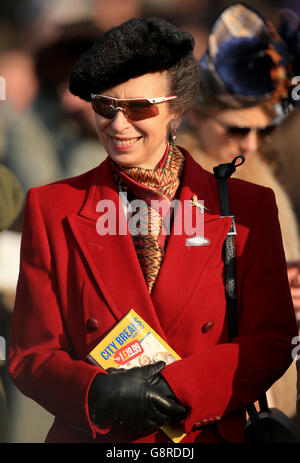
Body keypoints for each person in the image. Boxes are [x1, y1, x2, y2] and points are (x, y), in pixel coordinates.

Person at [8, 17, 297, 444]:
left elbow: (272, 339)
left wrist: (178, 388)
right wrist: (95, 393)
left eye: (141, 108)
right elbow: (30, 354)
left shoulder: (248, 206)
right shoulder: (50, 207)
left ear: (178, 109)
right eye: (105, 106)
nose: (119, 125)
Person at [177, 3, 300, 418]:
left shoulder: (261, 177)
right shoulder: (173, 183)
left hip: (267, 392)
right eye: (235, 128)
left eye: (261, 130)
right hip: (202, 394)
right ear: (194, 115)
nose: (249, 144)